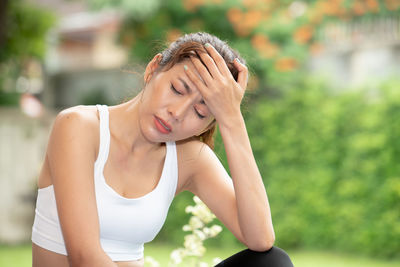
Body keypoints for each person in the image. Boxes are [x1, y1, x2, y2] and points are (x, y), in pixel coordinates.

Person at [31, 32, 293, 267]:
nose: (177, 113)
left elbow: (260, 239)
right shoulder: (79, 126)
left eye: (201, 112)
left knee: (272, 263)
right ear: (153, 68)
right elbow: (84, 256)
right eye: (177, 89)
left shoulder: (189, 157)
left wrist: (232, 121)